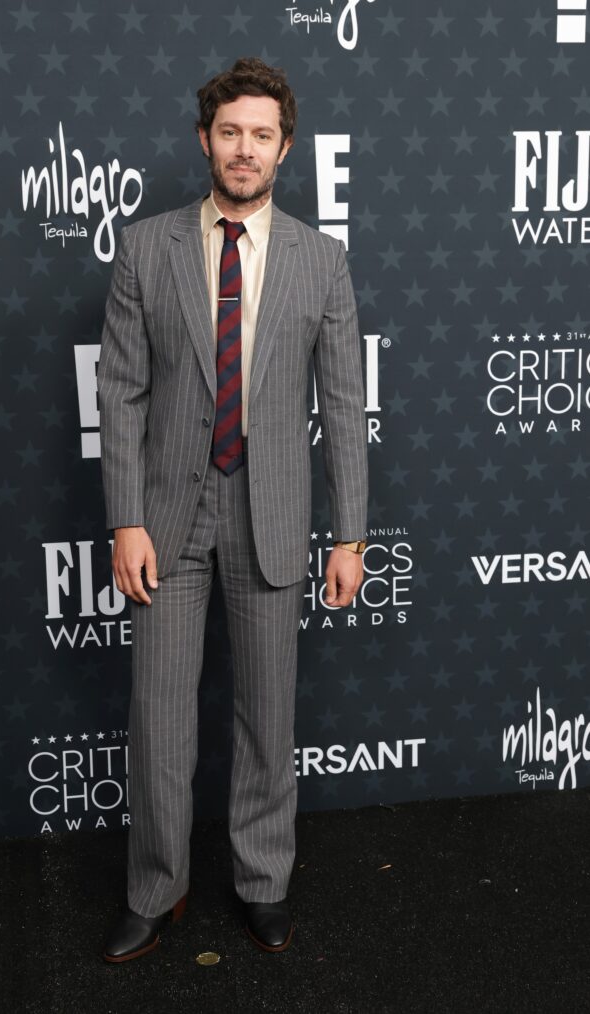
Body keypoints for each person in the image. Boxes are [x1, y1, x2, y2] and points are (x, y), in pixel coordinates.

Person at [97, 56, 369, 962]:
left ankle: (263, 882)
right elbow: (123, 395)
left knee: (267, 717)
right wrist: (124, 519)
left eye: (261, 135)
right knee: (159, 717)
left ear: (284, 149)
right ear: (203, 140)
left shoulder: (321, 261)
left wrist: (353, 536)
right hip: (168, 516)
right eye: (229, 132)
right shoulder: (146, 248)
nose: (243, 149)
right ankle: (155, 888)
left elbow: (343, 406)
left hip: (275, 511)